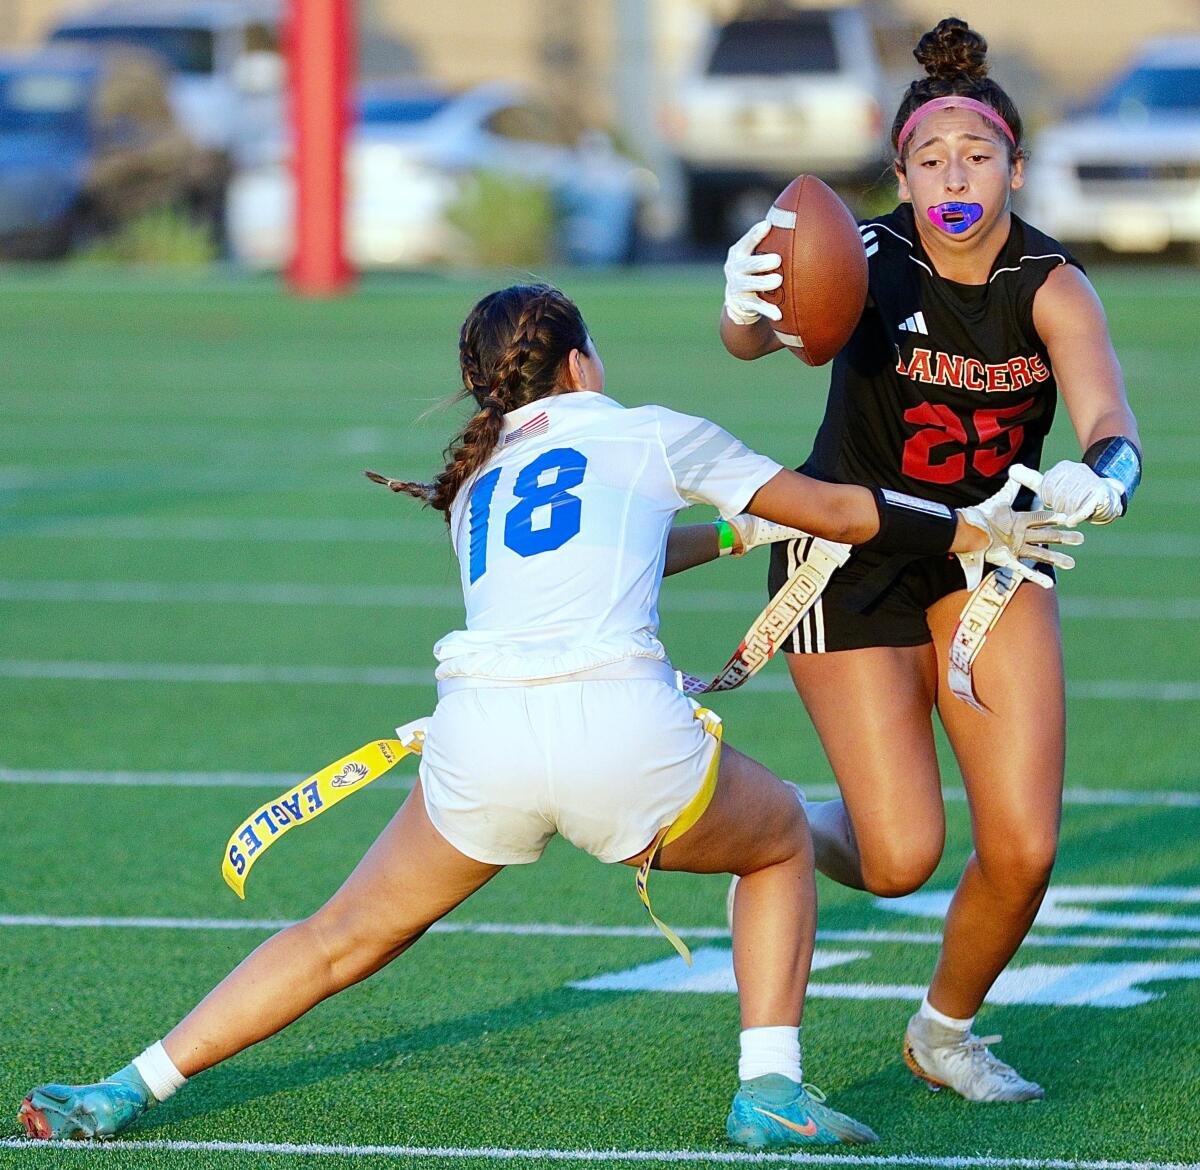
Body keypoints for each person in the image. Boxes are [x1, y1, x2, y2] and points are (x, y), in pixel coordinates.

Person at [19, 284, 1078, 1148]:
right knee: (778, 845)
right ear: (580, 363)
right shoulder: (652, 432)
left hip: (481, 742)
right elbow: (845, 511)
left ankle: (123, 1087)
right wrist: (973, 528)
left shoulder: (476, 477)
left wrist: (732, 543)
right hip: (621, 733)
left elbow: (597, 560)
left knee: (341, 935)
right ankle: (769, 1086)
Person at [719, 18, 1141, 1103]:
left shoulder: (1051, 283)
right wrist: (744, 303)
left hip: (994, 552)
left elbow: (1110, 420)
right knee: (900, 857)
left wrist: (1107, 474)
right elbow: (762, 337)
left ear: (1016, 166)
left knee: (1026, 845)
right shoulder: (863, 256)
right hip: (851, 554)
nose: (957, 176)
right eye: (932, 159)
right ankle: (768, 831)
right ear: (900, 173)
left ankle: (945, 1031)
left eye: (980, 156)